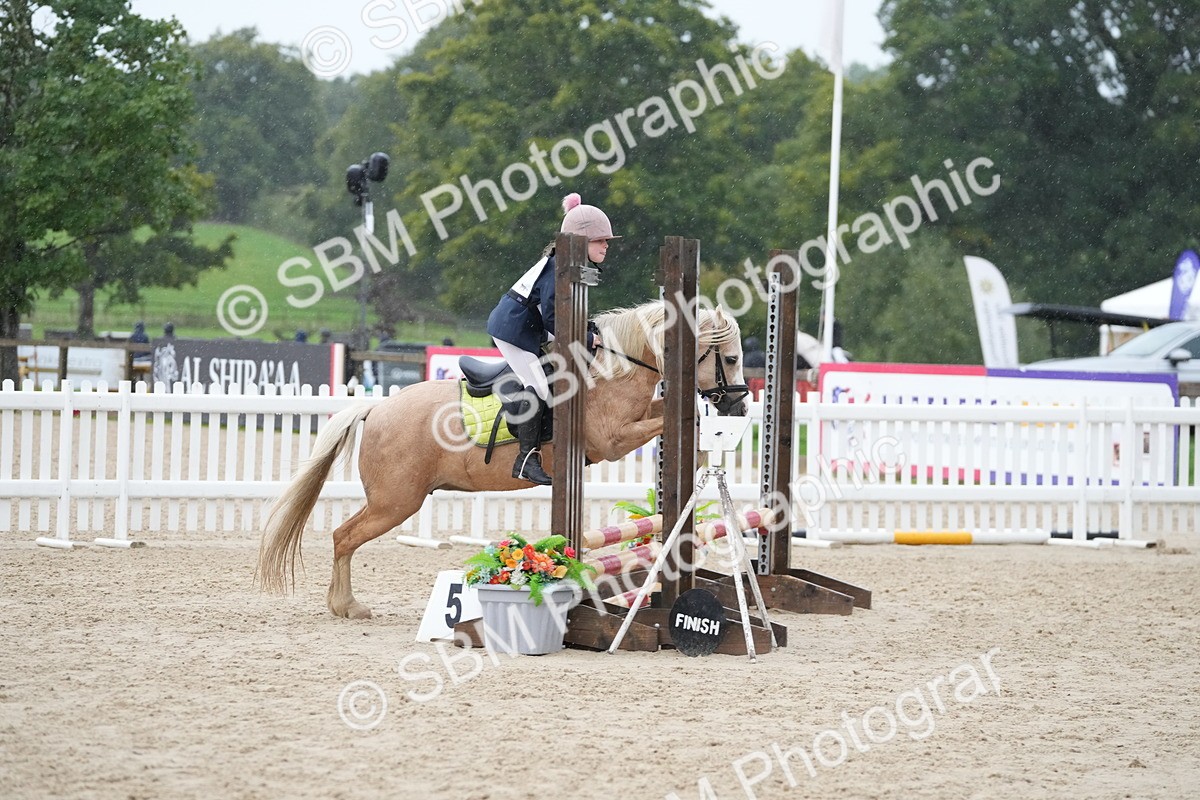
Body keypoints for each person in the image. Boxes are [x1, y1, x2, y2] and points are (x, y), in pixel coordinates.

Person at [486, 192, 618, 485]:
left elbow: (564, 315)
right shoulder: (557, 270)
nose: (606, 245)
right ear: (582, 241)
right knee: (538, 385)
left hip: (529, 324)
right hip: (513, 330)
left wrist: (589, 331)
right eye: (600, 240)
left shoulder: (568, 266)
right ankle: (525, 459)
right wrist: (585, 337)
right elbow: (553, 320)